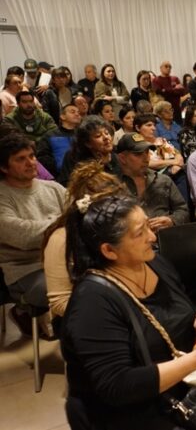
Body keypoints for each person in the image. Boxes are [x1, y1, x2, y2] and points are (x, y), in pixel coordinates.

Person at [61, 195, 196, 429]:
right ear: (109, 250)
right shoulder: (92, 302)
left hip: (178, 390)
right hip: (130, 413)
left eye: (149, 225)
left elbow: (178, 315)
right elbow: (117, 386)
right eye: (140, 233)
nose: (152, 237)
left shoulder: (154, 263)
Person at [0, 133, 67, 335]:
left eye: (31, 156)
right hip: (26, 269)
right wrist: (62, 222)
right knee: (72, 288)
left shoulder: (53, 188)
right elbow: (23, 235)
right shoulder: (3, 196)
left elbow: (81, 217)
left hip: (65, 259)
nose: (30, 163)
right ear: (4, 168)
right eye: (20, 159)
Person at [43, 161, 126, 317]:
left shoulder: (120, 228)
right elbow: (60, 301)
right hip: (86, 317)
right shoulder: (61, 239)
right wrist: (112, 313)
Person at [116, 132, 189, 230]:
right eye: (138, 154)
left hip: (165, 239)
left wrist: (172, 220)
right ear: (122, 158)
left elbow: (183, 210)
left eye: (147, 152)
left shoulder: (163, 180)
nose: (146, 158)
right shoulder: (113, 186)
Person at [58, 116, 122, 186]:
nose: (106, 138)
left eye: (106, 133)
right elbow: (68, 185)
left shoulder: (118, 155)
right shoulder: (74, 157)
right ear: (88, 143)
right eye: (98, 136)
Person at [36, 103, 82, 176]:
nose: (77, 114)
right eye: (72, 112)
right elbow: (42, 157)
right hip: (60, 178)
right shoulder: (50, 135)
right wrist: (58, 168)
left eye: (78, 113)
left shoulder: (82, 136)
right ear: (62, 116)